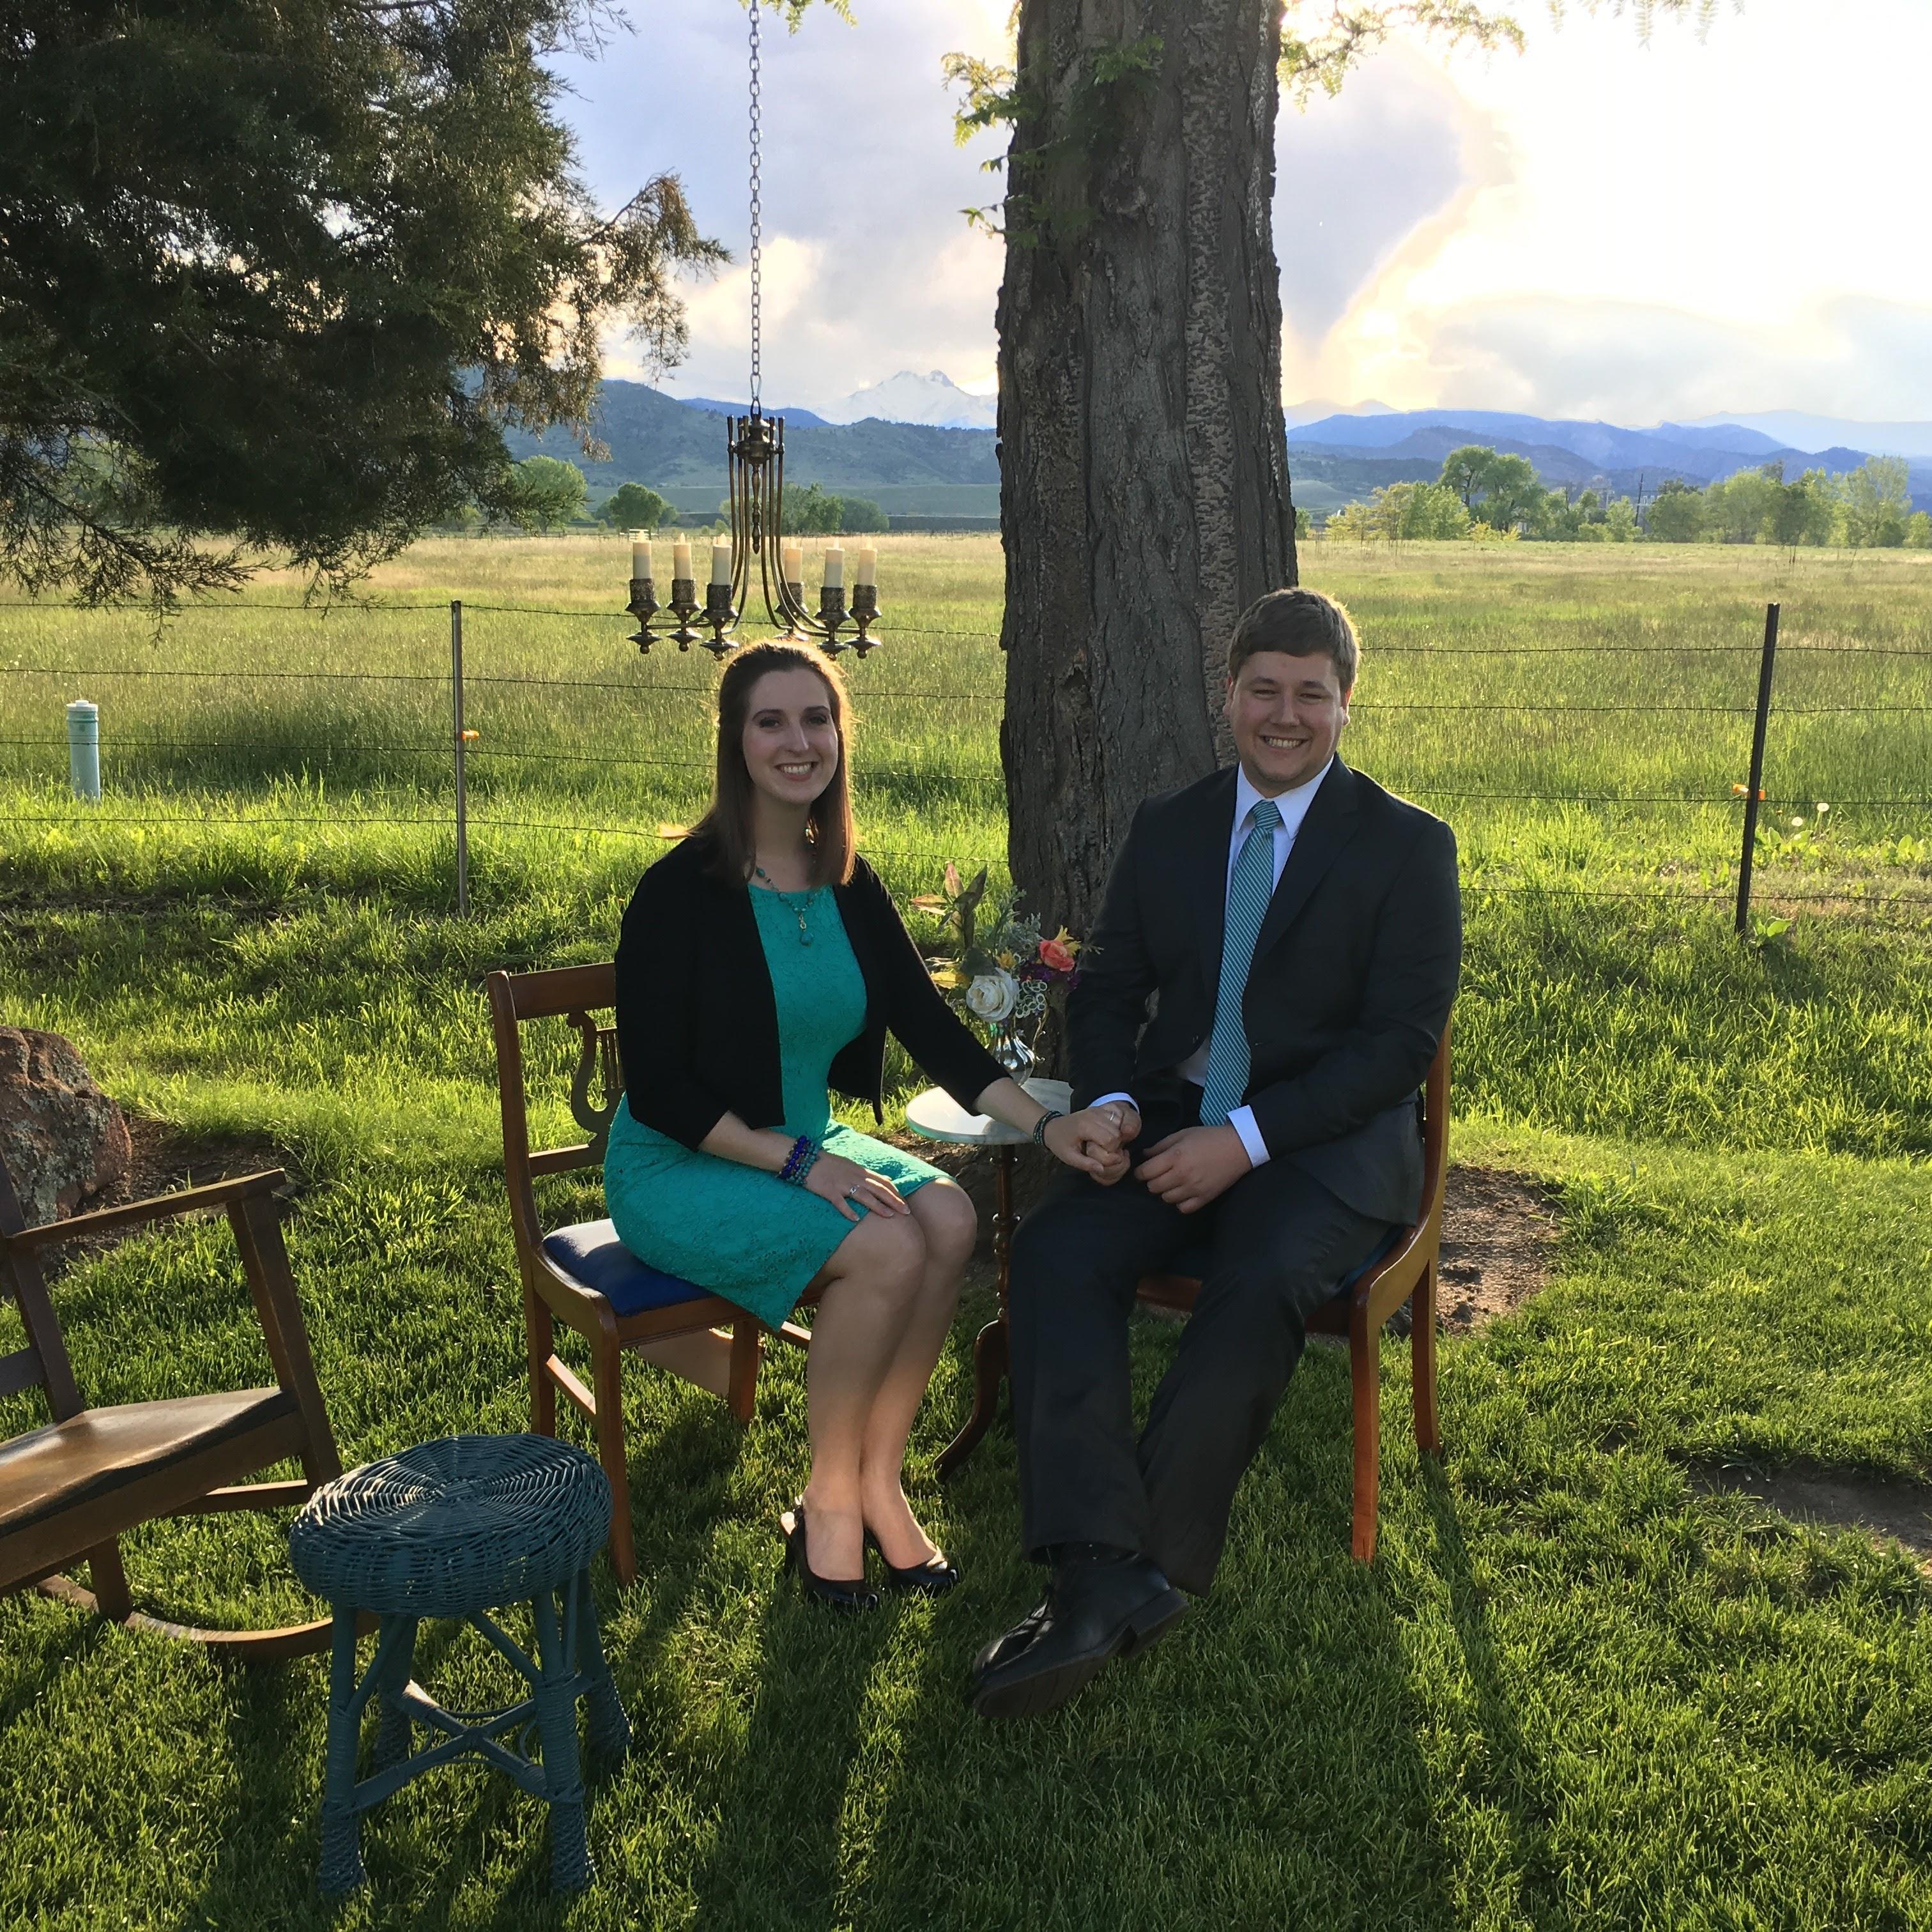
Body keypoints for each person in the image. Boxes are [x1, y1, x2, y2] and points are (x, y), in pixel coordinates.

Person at [969, 587, 1462, 1718]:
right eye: (1263, 691)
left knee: (1259, 1279)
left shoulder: (1407, 846)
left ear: (1346, 704)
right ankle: (1100, 1563)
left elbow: (1398, 1046)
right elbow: (1107, 985)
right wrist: (1106, 1104)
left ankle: (1133, 1581)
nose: (1284, 716)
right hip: (1169, 1121)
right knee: (1055, 1252)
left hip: (1325, 1150)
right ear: (1228, 695)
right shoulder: (1172, 824)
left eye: (1311, 696)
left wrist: (1241, 1142)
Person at [607, 641, 1128, 1613]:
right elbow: (663, 1090)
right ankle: (828, 1506)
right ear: (735, 740)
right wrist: (799, 1163)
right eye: (772, 721)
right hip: (683, 1163)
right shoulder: (679, 891)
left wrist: (1044, 1130)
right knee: (888, 1249)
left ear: (839, 737)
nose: (799, 742)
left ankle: (876, 1479)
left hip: (803, 1141)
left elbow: (931, 1028)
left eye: (817, 720)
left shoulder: (844, 877)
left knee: (950, 1223)